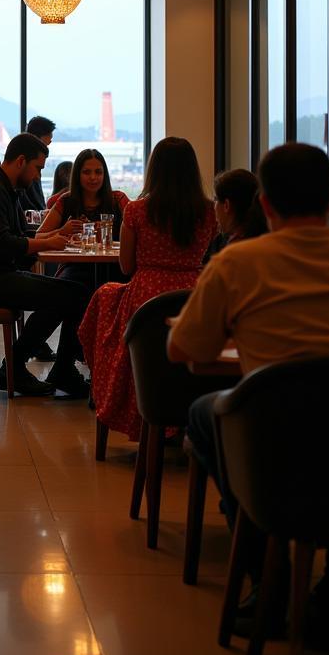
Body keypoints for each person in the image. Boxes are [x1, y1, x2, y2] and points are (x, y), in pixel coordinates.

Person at [168, 144, 329, 653]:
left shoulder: (238, 262)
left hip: (277, 454)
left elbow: (184, 348)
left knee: (205, 414)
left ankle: (270, 572)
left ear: (263, 205)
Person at [78, 137, 216, 439]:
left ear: (154, 170)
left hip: (147, 296)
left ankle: (108, 395)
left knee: (104, 296)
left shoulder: (138, 210)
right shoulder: (210, 212)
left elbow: (126, 267)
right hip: (192, 296)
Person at [0, 131, 91, 398]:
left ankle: (26, 368)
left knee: (72, 293)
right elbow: (1, 244)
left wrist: (55, 236)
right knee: (75, 295)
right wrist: (48, 243)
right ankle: (23, 368)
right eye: (37, 168)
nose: (37, 177)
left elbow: (18, 238)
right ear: (21, 161)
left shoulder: (1, 187)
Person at [38, 148, 130, 291]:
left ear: (105, 175)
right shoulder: (66, 201)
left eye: (98, 172)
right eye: (87, 172)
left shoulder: (118, 199)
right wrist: (62, 231)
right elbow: (38, 237)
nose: (93, 177)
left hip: (116, 267)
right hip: (75, 267)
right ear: (77, 175)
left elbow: (140, 231)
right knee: (69, 290)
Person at [207, 167, 267, 257]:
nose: (214, 207)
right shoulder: (268, 241)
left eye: (216, 199)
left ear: (226, 205)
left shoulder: (232, 254)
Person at [18, 116, 56, 217]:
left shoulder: (30, 160)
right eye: (48, 137)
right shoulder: (28, 163)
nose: (50, 142)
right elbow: (33, 203)